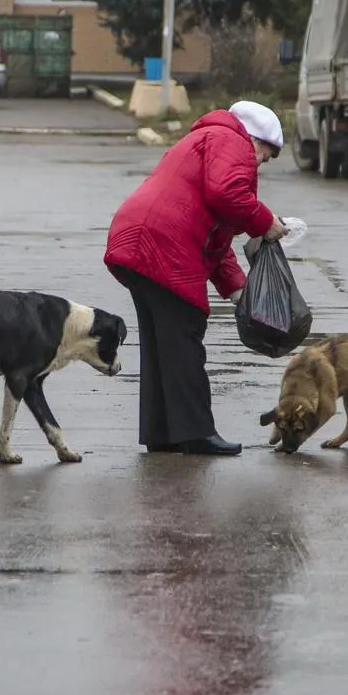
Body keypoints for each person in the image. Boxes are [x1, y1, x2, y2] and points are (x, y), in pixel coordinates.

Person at [104, 100, 289, 456]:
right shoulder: (231, 140)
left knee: (163, 344)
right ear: (255, 139)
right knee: (185, 335)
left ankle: (162, 433)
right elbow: (227, 193)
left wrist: (238, 290)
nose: (262, 163)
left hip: (138, 240)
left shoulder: (207, 141)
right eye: (265, 154)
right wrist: (265, 223)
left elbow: (216, 239)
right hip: (164, 243)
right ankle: (195, 432)